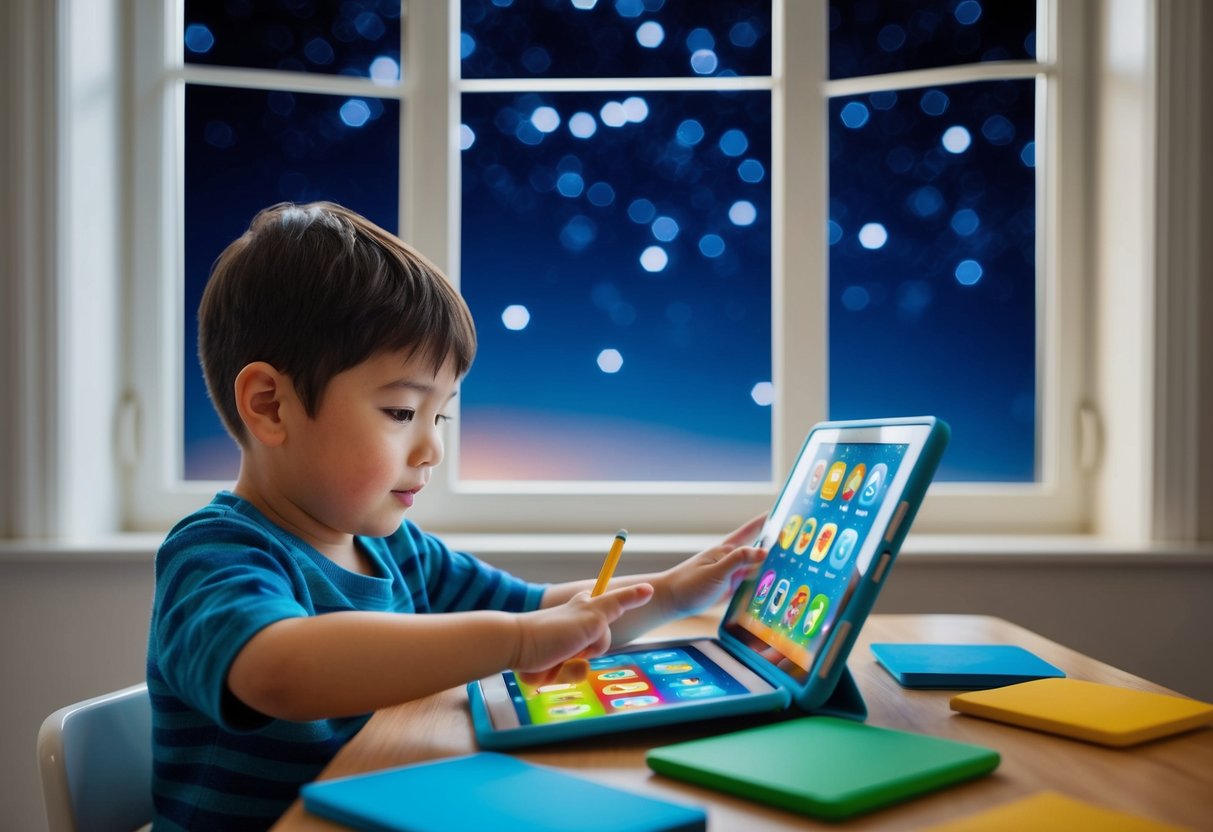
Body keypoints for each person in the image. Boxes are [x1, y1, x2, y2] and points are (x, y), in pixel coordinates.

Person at [146, 201, 767, 831]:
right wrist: (517, 643)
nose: (433, 448)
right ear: (270, 406)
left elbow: (545, 613)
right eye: (401, 412)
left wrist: (675, 591)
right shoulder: (217, 552)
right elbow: (277, 669)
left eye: (440, 416)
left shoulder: (397, 550)